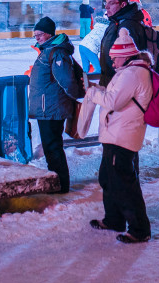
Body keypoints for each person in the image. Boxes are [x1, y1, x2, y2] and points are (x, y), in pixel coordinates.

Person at [86, 28, 152, 244]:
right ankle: (114, 219)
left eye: (114, 59)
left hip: (123, 136)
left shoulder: (133, 74)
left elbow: (114, 102)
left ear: (124, 56)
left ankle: (139, 229)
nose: (112, 63)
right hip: (115, 134)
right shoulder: (129, 72)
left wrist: (94, 93)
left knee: (123, 182)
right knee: (107, 177)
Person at [29, 17, 83, 193]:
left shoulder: (56, 52)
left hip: (51, 109)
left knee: (53, 148)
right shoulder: (49, 50)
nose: (36, 38)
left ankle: (60, 186)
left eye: (39, 34)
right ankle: (57, 183)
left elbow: (66, 80)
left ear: (49, 34)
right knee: (51, 148)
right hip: (48, 108)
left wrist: (77, 96)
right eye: (35, 34)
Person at [99, 0, 152, 85]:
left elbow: (131, 61)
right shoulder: (115, 22)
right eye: (106, 3)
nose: (106, 7)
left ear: (123, 4)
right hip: (110, 82)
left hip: (121, 85)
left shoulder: (129, 26)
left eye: (111, 3)